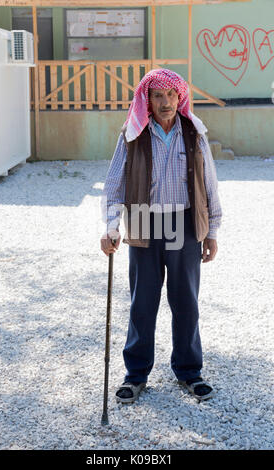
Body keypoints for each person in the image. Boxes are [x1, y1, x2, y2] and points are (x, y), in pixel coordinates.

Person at [100, 69, 222, 403]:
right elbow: (114, 184)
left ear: (179, 97)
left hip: (183, 221)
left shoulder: (193, 131)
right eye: (157, 95)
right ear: (147, 100)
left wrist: (211, 230)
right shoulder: (132, 132)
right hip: (143, 220)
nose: (165, 102)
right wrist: (111, 227)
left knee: (186, 302)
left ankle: (189, 372)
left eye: (171, 95)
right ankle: (135, 375)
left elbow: (209, 183)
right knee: (143, 302)